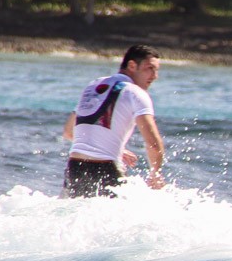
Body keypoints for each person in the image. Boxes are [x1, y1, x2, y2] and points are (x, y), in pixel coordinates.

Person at [61, 44, 165, 197]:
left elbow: (69, 132)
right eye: (150, 68)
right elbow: (154, 144)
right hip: (106, 169)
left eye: (156, 70)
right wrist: (155, 174)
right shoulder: (135, 93)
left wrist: (110, 147)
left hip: (74, 167)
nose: (154, 76)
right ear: (131, 65)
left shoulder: (93, 86)